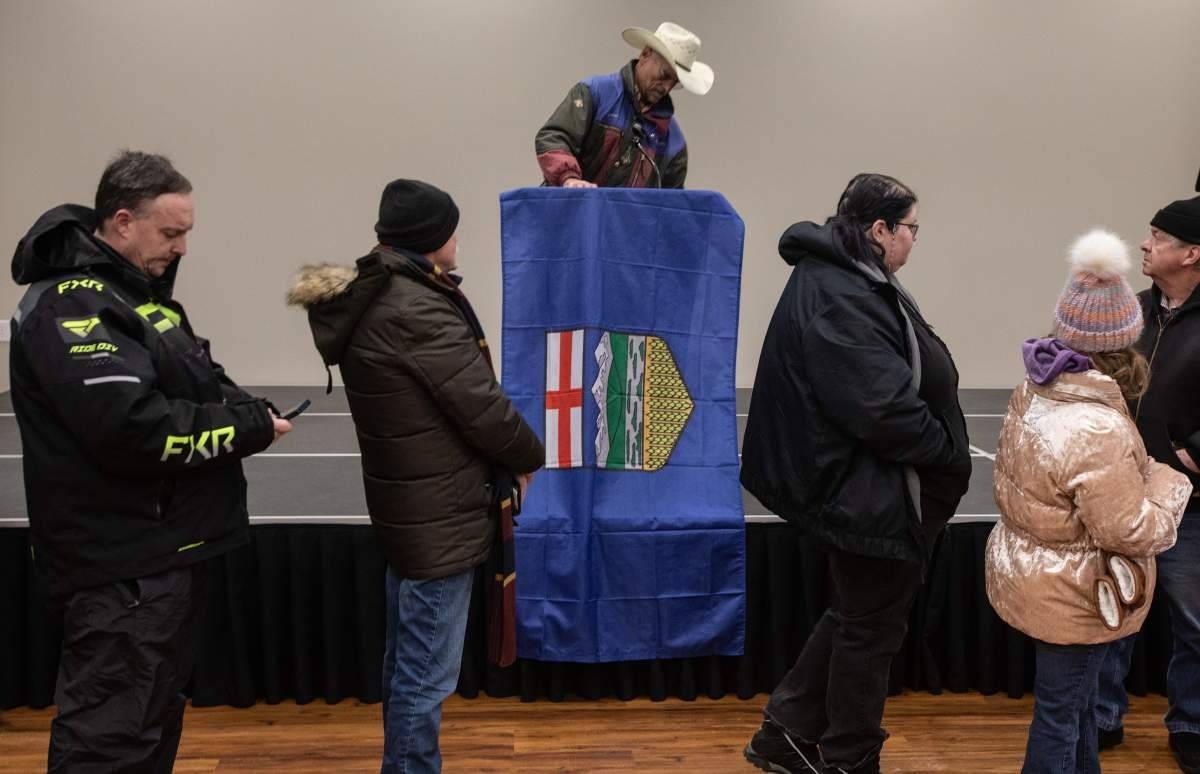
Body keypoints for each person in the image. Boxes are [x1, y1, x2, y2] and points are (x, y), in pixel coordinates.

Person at [9, 150, 291, 771]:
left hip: (160, 557)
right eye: (170, 233)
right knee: (110, 742)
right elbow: (133, 431)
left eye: (186, 232)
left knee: (148, 728)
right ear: (122, 222)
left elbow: (194, 377)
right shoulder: (73, 305)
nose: (182, 247)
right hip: (122, 567)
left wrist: (244, 406)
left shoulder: (132, 296)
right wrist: (245, 426)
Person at [287, 179, 544, 773]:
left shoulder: (382, 293)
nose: (458, 239)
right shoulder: (416, 308)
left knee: (407, 666)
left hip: (412, 511)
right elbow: (483, 407)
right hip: (440, 520)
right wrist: (530, 456)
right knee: (425, 677)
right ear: (431, 237)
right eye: (451, 228)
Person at [740, 173, 973, 774]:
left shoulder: (845, 276)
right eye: (911, 228)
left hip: (864, 485)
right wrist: (946, 453)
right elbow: (881, 408)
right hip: (867, 490)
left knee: (860, 616)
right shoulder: (840, 291)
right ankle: (849, 758)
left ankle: (785, 735)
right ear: (880, 229)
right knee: (869, 632)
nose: (914, 239)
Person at [985, 229, 1192, 773]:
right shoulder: (1096, 423)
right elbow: (1131, 530)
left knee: (1074, 712)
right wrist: (1169, 483)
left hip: (1037, 576)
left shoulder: (1038, 387)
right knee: (1061, 716)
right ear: (1124, 340)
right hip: (1077, 594)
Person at [1095, 194, 1200, 774]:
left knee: (1195, 624)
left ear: (1192, 253)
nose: (1144, 244)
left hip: (1191, 504)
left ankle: (1191, 725)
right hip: (1123, 497)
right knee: (1113, 612)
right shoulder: (1129, 312)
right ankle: (1103, 717)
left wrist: (1193, 454)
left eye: (1157, 237)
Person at [534, 21, 713, 189]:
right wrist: (568, 178)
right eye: (664, 75)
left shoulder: (673, 141)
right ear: (645, 54)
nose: (666, 87)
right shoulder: (594, 93)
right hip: (569, 209)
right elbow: (553, 137)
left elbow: (671, 204)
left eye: (674, 82)